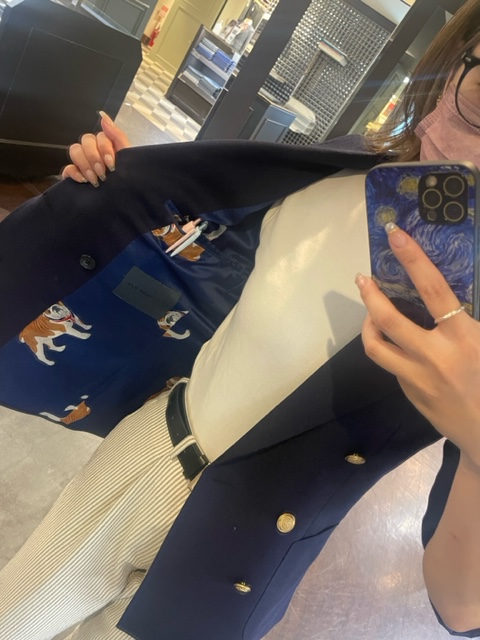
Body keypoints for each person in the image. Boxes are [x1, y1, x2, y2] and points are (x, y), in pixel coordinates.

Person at [0, 2, 480, 639]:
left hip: (240, 555)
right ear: (453, 63)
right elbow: (222, 272)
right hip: (150, 446)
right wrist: (132, 193)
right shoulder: (342, 172)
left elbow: (462, 609)